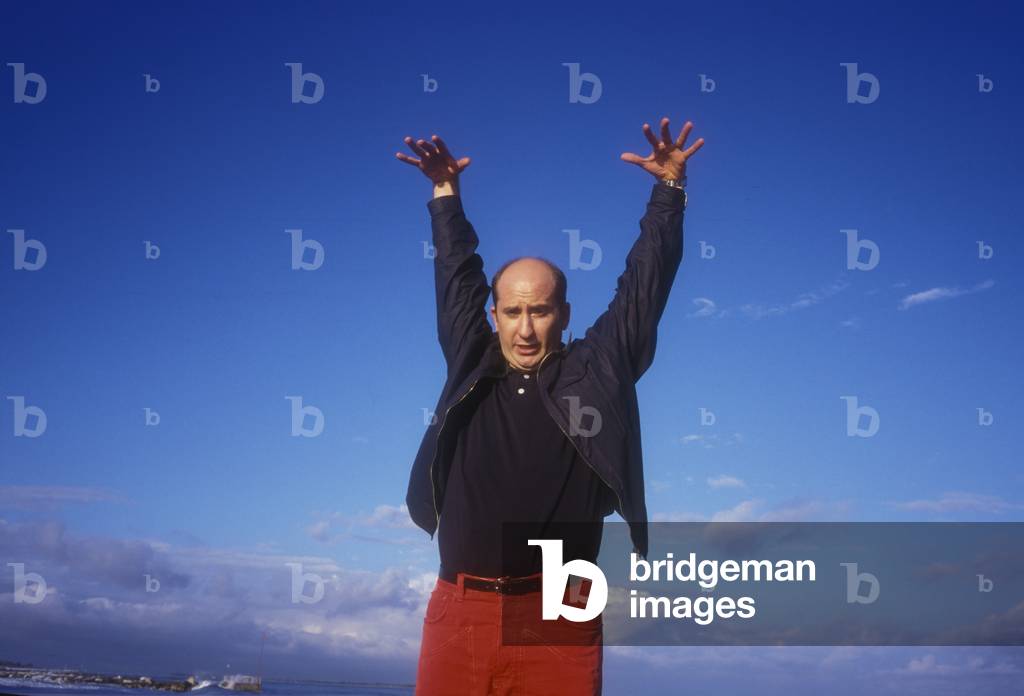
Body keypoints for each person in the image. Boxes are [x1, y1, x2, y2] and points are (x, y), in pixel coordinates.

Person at [396, 117, 704, 695]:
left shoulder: (597, 368)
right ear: (494, 318)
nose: (526, 328)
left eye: (540, 310)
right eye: (512, 312)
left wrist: (668, 193)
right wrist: (444, 197)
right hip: (459, 613)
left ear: (563, 314)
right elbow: (455, 275)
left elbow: (644, 285)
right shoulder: (471, 362)